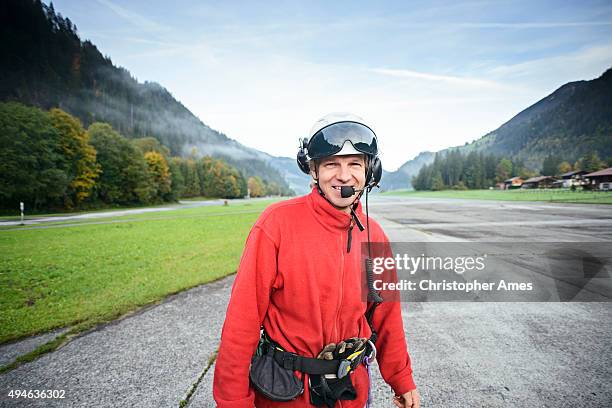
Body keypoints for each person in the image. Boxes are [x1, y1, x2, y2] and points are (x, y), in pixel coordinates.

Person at [213, 113, 420, 407]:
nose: (344, 175)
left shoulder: (375, 236)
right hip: (286, 393)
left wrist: (402, 378)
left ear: (370, 171)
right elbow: (241, 321)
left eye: (354, 164)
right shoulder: (276, 224)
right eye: (332, 163)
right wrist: (233, 401)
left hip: (352, 391)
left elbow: (387, 318)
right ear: (313, 170)